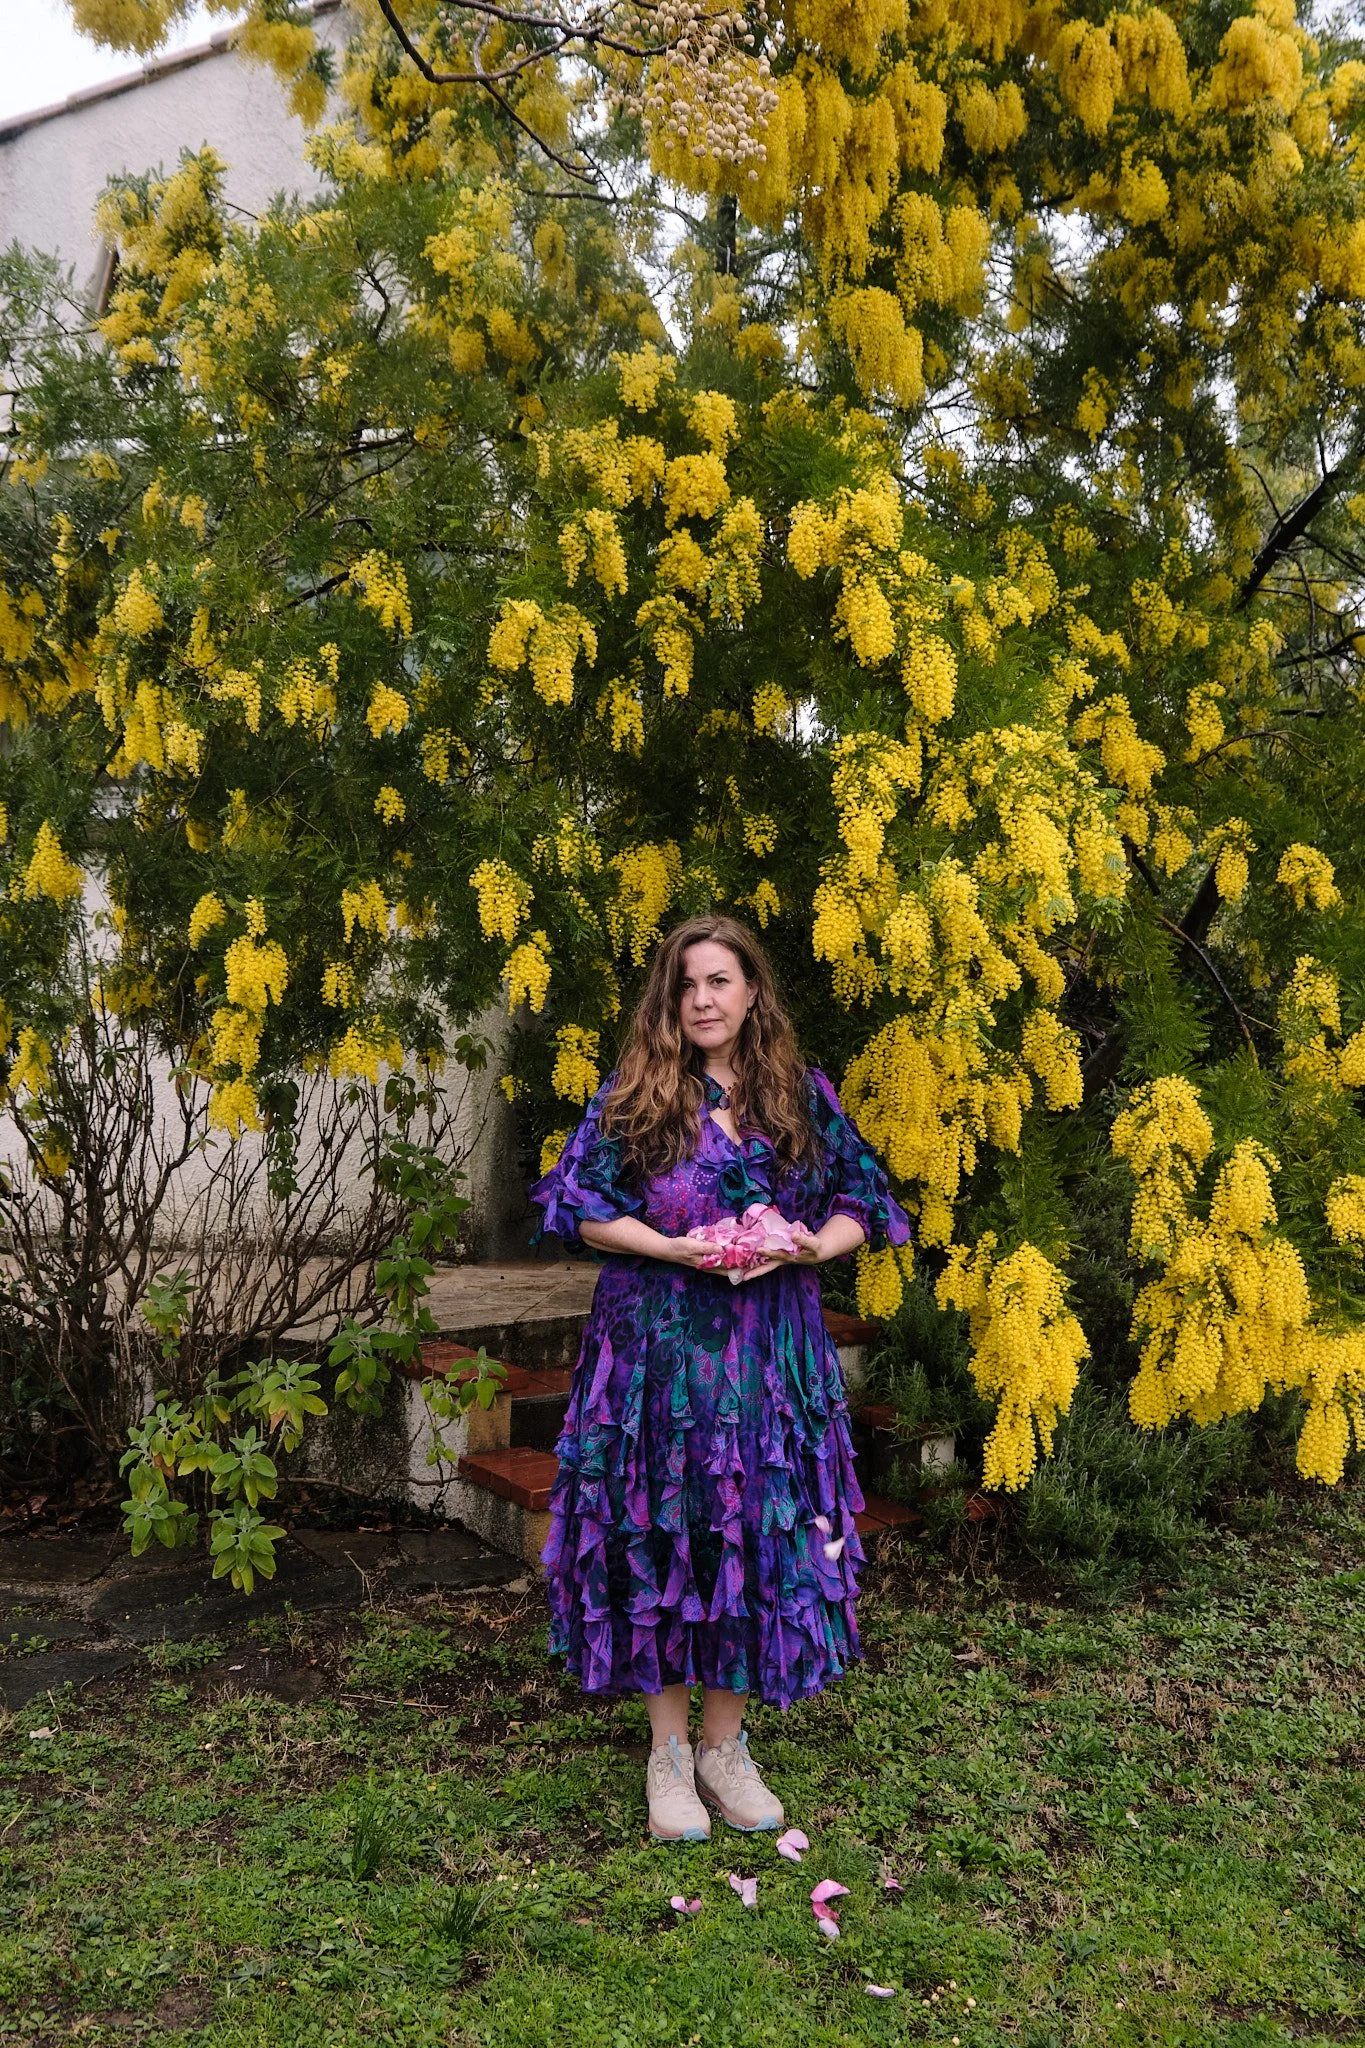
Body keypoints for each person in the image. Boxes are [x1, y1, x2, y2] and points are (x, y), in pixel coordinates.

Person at [529, 915, 910, 1843]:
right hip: (655, 1357)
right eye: (686, 984)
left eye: (719, 981)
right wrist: (669, 1246)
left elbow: (863, 1196)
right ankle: (666, 1754)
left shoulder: (798, 1095)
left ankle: (722, 1749)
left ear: (751, 993)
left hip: (769, 1357)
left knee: (753, 1532)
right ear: (668, 999)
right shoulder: (634, 1093)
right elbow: (580, 1207)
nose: (702, 1000)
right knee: (660, 1533)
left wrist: (809, 1245)